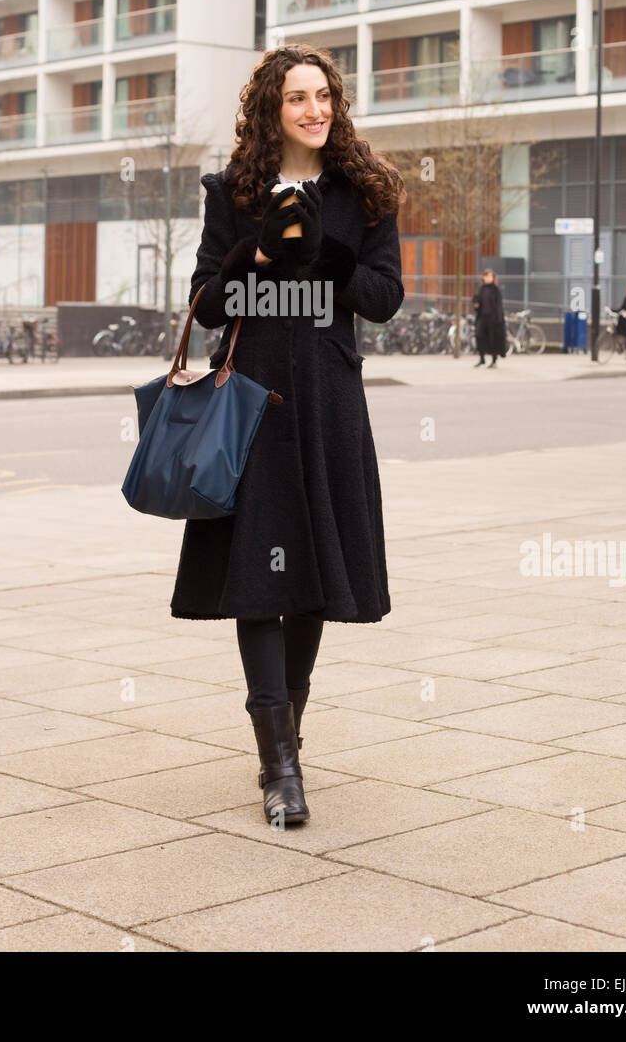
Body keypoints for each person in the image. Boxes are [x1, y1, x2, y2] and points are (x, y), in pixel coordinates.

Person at [172, 44, 405, 827]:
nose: (314, 110)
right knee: (258, 581)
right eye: (298, 98)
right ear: (272, 109)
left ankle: (288, 739)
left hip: (329, 403)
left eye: (324, 97)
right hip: (252, 406)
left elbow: (383, 298)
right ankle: (279, 765)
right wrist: (261, 250)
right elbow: (207, 304)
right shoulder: (231, 193)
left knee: (312, 579)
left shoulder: (365, 193)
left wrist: (326, 253)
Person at [473, 268, 507, 368]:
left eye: (489, 276)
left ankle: (494, 360)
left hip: (493, 319)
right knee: (479, 336)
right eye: (486, 276)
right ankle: (482, 358)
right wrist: (476, 304)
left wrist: (498, 319)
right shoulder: (481, 289)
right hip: (482, 317)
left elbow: (499, 305)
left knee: (493, 339)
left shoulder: (495, 290)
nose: (487, 278)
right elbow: (477, 303)